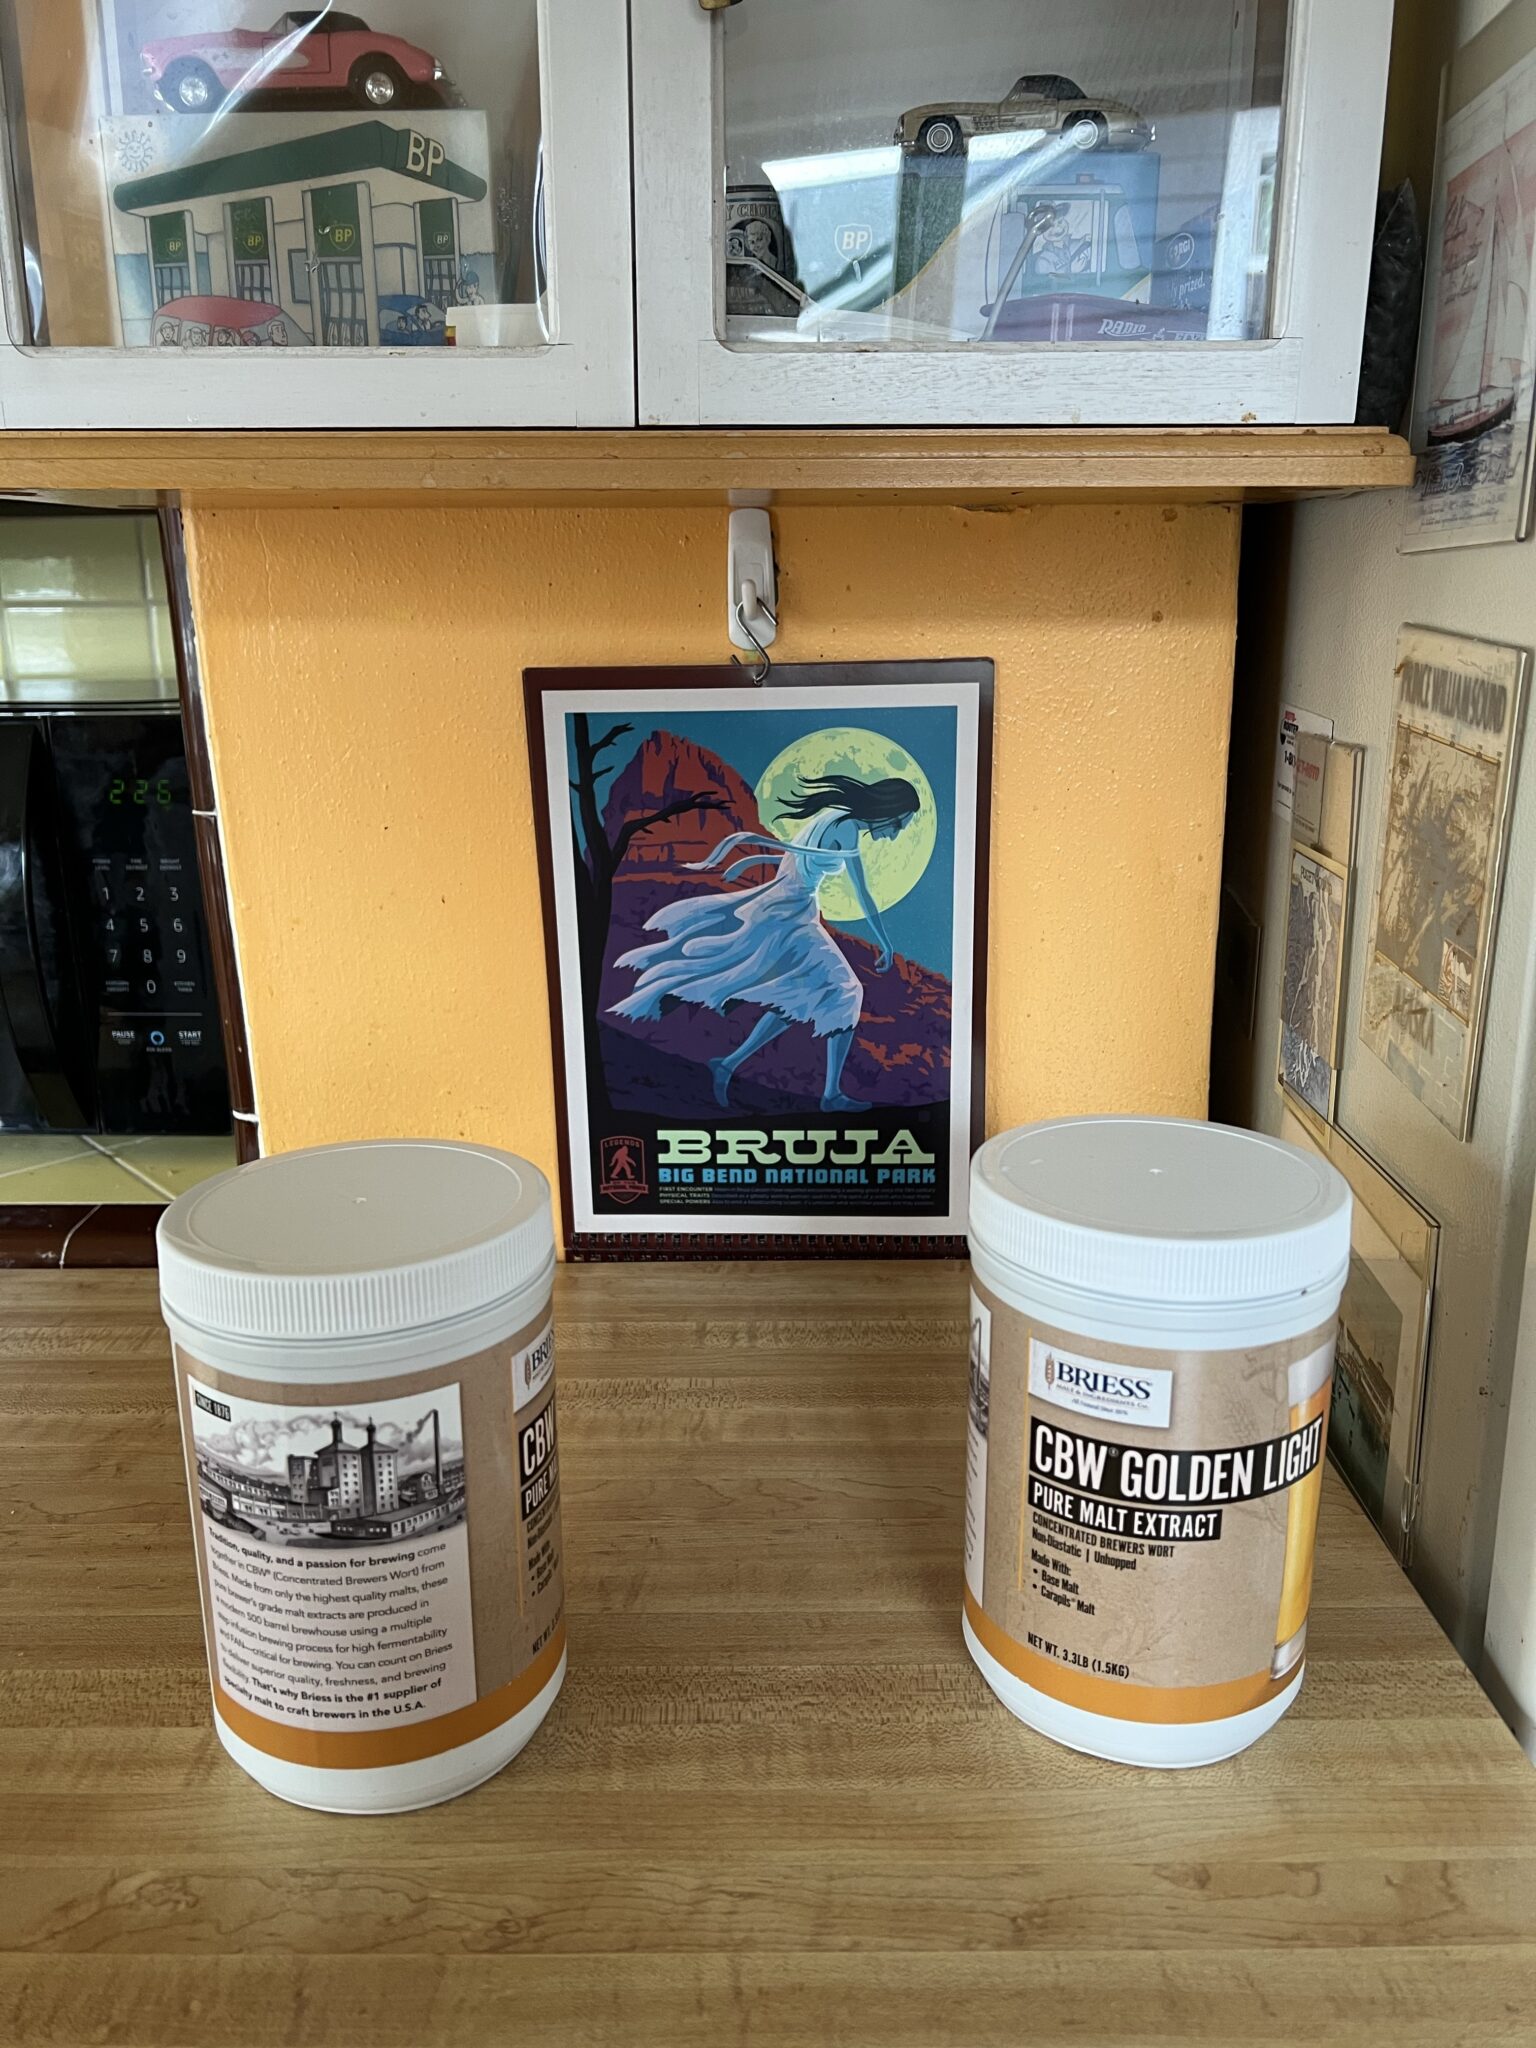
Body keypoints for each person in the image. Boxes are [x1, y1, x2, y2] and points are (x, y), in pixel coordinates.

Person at [609, 773, 920, 1112]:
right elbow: (862, 894)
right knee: (848, 991)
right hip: (791, 916)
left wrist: (759, 860)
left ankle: (727, 1064)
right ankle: (830, 1096)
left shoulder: (832, 817)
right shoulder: (846, 829)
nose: (895, 833)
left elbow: (798, 861)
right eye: (898, 823)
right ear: (887, 809)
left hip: (785, 909)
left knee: (797, 994)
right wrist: (885, 944)